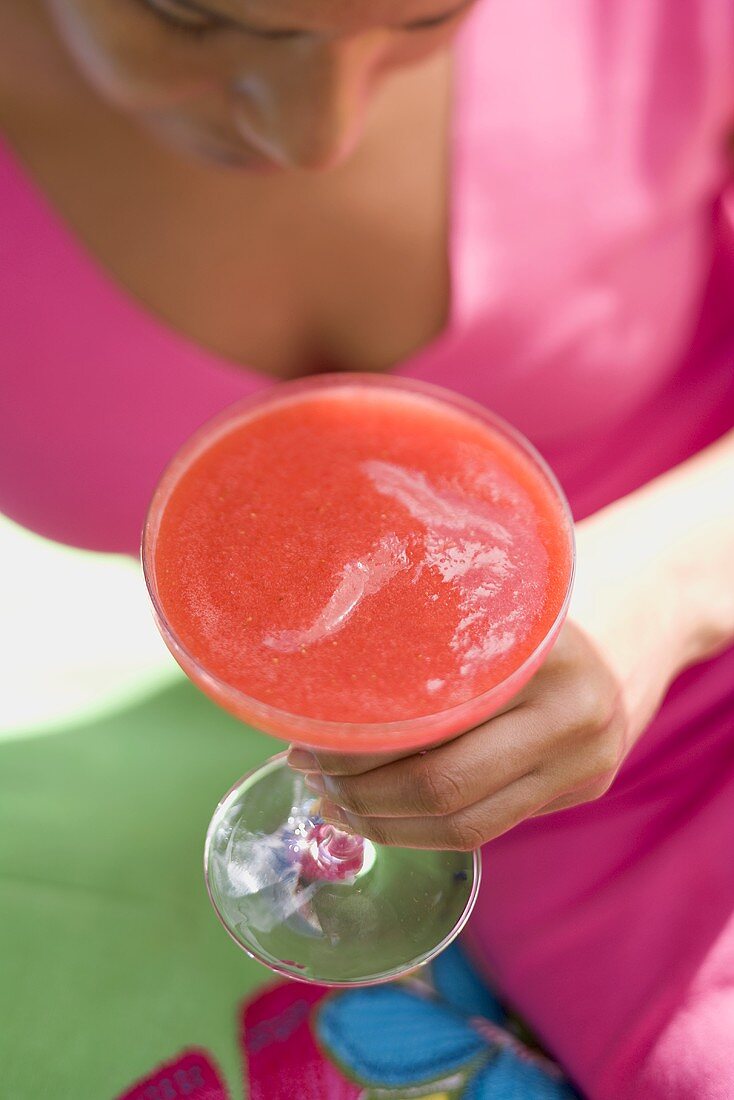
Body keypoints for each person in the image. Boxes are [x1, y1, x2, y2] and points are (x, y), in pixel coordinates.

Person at [1, 1, 733, 1096]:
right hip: (552, 803)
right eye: (196, 22)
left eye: (427, 16)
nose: (312, 137)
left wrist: (673, 582)